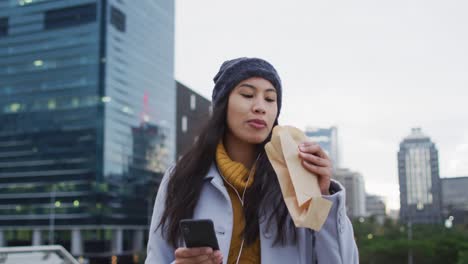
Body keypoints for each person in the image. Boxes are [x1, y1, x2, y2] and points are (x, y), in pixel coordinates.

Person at [145, 57, 359, 264]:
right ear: (223, 104)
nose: (260, 107)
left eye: (269, 99)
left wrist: (323, 196)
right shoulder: (181, 177)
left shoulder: (297, 177)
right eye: (247, 95)